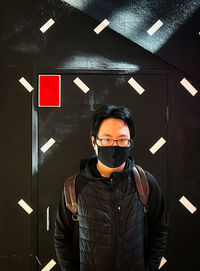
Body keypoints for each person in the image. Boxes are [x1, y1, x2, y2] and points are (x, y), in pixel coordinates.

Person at [54, 104, 167, 271]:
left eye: (122, 140)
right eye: (106, 139)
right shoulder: (74, 186)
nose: (115, 145)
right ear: (94, 142)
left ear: (130, 143)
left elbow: (159, 232)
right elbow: (62, 237)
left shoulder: (145, 182)